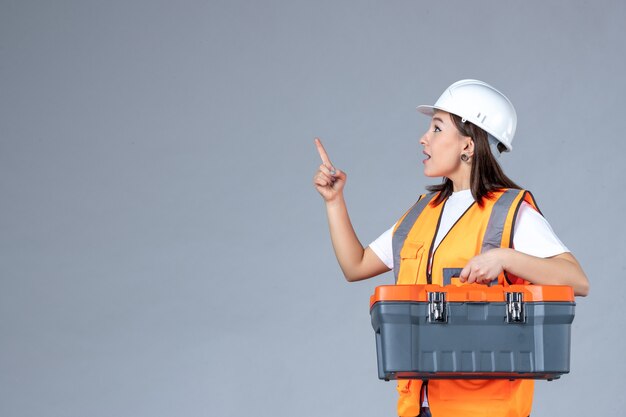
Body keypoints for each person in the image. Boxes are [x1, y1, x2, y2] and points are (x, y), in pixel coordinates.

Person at [312, 79, 589, 417]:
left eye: (437, 128)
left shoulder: (509, 212)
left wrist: (503, 257)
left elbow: (576, 280)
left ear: (468, 146)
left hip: (484, 409)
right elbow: (355, 266)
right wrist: (334, 202)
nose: (423, 138)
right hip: (419, 408)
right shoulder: (420, 214)